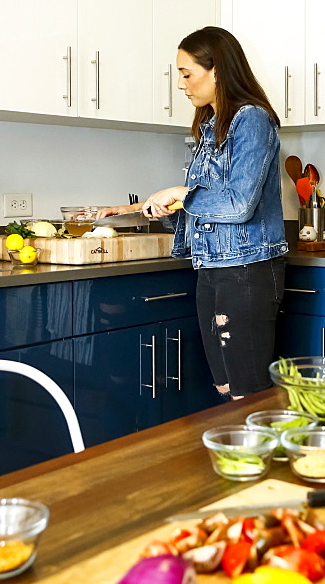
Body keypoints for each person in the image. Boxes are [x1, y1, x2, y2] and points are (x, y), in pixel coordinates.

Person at [99, 26, 287, 399]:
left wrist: (181, 194)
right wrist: (155, 208)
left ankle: (259, 456)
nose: (181, 84)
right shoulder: (209, 127)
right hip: (211, 268)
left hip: (246, 270)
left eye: (187, 73)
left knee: (248, 392)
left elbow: (238, 204)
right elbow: (207, 205)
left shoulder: (252, 120)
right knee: (225, 385)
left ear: (216, 70)